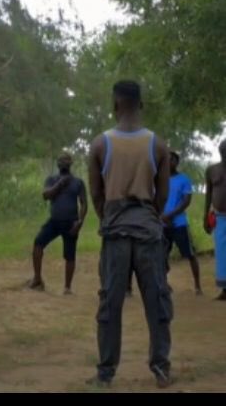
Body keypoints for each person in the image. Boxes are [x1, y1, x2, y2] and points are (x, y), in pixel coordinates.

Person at [87, 80, 172, 388]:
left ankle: (105, 372)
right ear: (141, 104)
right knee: (157, 300)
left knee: (110, 303)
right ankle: (161, 366)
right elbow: (162, 196)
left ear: (115, 105)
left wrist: (112, 217)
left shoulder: (99, 144)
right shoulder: (158, 144)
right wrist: (147, 216)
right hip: (148, 233)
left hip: (115, 233)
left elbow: (96, 194)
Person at [29, 152, 87, 294]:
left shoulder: (78, 182)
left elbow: (84, 203)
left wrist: (80, 222)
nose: (64, 163)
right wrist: (60, 184)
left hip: (71, 223)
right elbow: (46, 195)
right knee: (38, 243)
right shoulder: (51, 179)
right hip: (54, 221)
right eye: (61, 161)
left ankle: (67, 287)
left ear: (71, 163)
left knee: (70, 255)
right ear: (58, 164)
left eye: (66, 161)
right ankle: (37, 279)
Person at [162, 151, 202, 295]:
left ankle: (197, 285)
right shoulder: (159, 180)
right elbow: (155, 200)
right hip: (162, 224)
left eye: (171, 160)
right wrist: (162, 217)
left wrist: (170, 215)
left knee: (190, 254)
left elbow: (186, 201)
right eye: (166, 160)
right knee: (161, 255)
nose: (168, 162)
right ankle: (164, 283)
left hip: (179, 223)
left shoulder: (184, 179)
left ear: (176, 162)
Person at [204, 139, 226, 300]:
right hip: (219, 217)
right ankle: (225, 290)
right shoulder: (212, 170)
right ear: (220, 152)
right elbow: (208, 195)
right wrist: (206, 216)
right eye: (223, 150)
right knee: (222, 254)